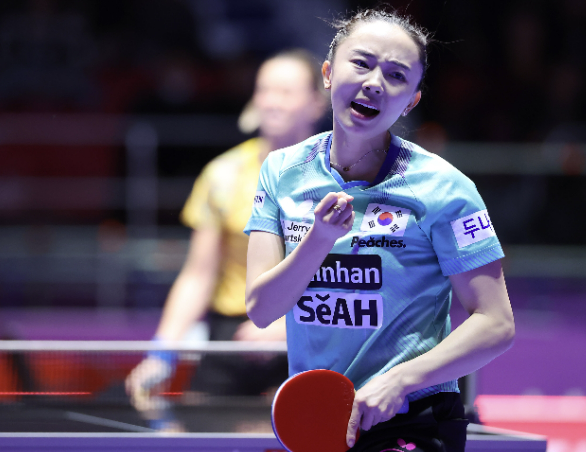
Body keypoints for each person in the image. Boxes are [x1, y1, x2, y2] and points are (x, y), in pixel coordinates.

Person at [244, 8, 515, 452]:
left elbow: (496, 324)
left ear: (411, 101)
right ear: (328, 73)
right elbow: (261, 309)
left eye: (395, 75)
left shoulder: (445, 188)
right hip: (321, 417)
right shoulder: (281, 171)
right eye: (362, 63)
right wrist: (318, 241)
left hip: (412, 415)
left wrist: (400, 380)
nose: (374, 82)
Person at [125, 49, 328, 415]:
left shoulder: (338, 176)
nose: (271, 101)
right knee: (200, 429)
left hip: (314, 332)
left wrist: (288, 328)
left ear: (317, 102)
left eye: (286, 92)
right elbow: (198, 275)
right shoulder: (222, 174)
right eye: (264, 90)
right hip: (233, 336)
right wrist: (161, 354)